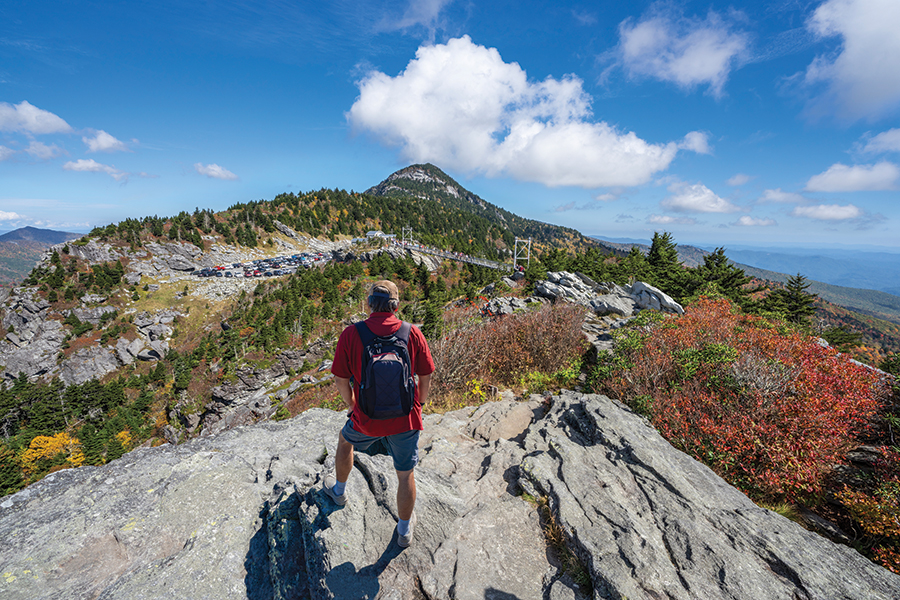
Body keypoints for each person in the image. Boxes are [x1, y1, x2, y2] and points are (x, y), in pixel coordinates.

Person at [324, 279, 435, 548]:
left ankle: (339, 492)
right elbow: (426, 373)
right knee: (405, 474)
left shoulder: (352, 334)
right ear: (395, 305)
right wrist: (419, 402)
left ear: (370, 303)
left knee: (345, 441)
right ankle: (405, 531)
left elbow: (340, 377)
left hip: (367, 420)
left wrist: (352, 405)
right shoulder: (412, 332)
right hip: (406, 419)